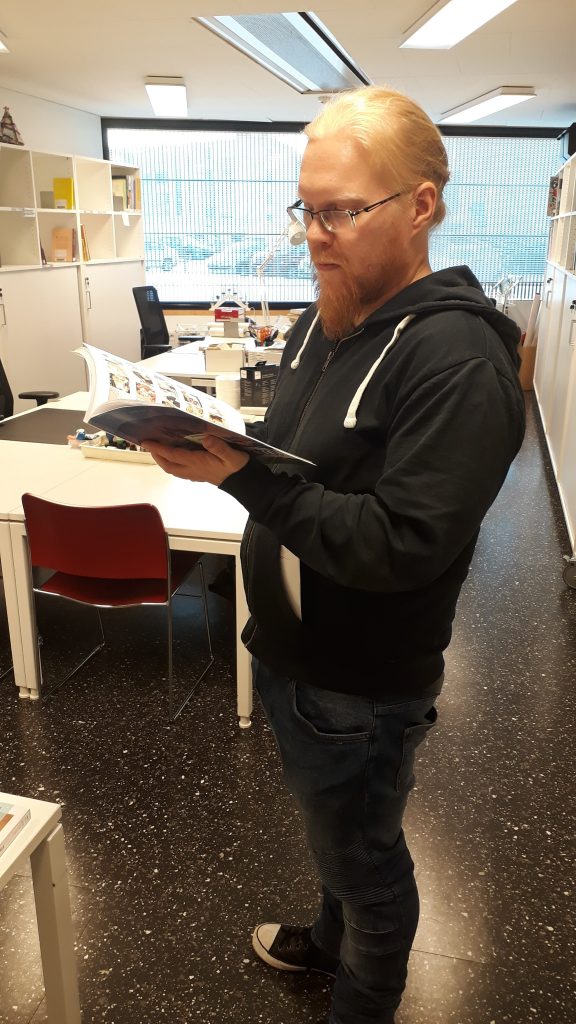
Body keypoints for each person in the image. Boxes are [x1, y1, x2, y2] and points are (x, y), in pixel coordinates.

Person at [145, 86, 526, 1024]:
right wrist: (222, 444)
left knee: (367, 858)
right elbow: (298, 455)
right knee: (337, 838)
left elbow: (401, 544)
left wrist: (242, 478)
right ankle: (327, 942)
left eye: (342, 212)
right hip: (294, 650)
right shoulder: (329, 314)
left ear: (421, 205)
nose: (316, 237)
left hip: (360, 682)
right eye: (306, 210)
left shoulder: (459, 361)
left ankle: (364, 1000)